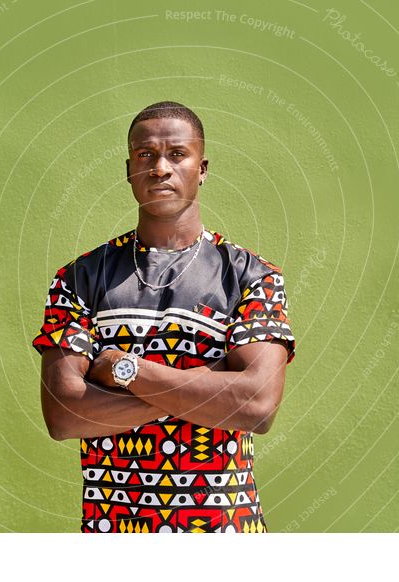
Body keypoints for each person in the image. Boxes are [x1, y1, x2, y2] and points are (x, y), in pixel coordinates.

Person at [32, 101, 295, 533]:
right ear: (129, 169)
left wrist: (123, 368)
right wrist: (208, 388)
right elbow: (64, 417)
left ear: (202, 167)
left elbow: (257, 406)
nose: (160, 168)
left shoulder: (251, 275)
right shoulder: (79, 278)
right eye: (145, 155)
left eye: (177, 154)